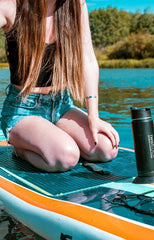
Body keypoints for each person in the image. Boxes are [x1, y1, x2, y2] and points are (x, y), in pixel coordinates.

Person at [0, 0, 119, 172]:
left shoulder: (76, 5)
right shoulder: (12, 5)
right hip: (23, 110)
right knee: (67, 157)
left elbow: (89, 60)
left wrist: (94, 116)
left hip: (61, 105)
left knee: (107, 149)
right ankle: (21, 151)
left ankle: (52, 137)